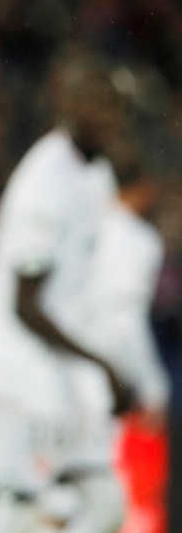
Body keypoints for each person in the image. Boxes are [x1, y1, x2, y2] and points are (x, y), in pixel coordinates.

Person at [0, 57, 133, 533]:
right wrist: (101, 363)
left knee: (103, 504)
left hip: (57, 373)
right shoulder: (46, 179)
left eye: (118, 108)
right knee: (17, 514)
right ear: (68, 107)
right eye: (101, 107)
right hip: (20, 372)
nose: (113, 119)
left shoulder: (93, 174)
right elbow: (26, 304)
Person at [64, 145, 169, 533]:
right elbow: (122, 317)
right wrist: (151, 384)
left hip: (66, 377)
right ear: (144, 187)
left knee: (75, 499)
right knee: (127, 502)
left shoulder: (79, 224)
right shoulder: (137, 240)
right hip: (114, 387)